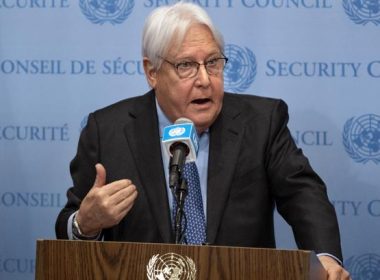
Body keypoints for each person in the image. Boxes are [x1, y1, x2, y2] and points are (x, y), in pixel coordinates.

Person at [55, 2, 350, 279]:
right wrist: (85, 224)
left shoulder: (261, 122)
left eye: (213, 63)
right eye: (186, 65)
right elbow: (71, 221)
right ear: (152, 72)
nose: (205, 80)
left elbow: (303, 193)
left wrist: (325, 256)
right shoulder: (107, 130)